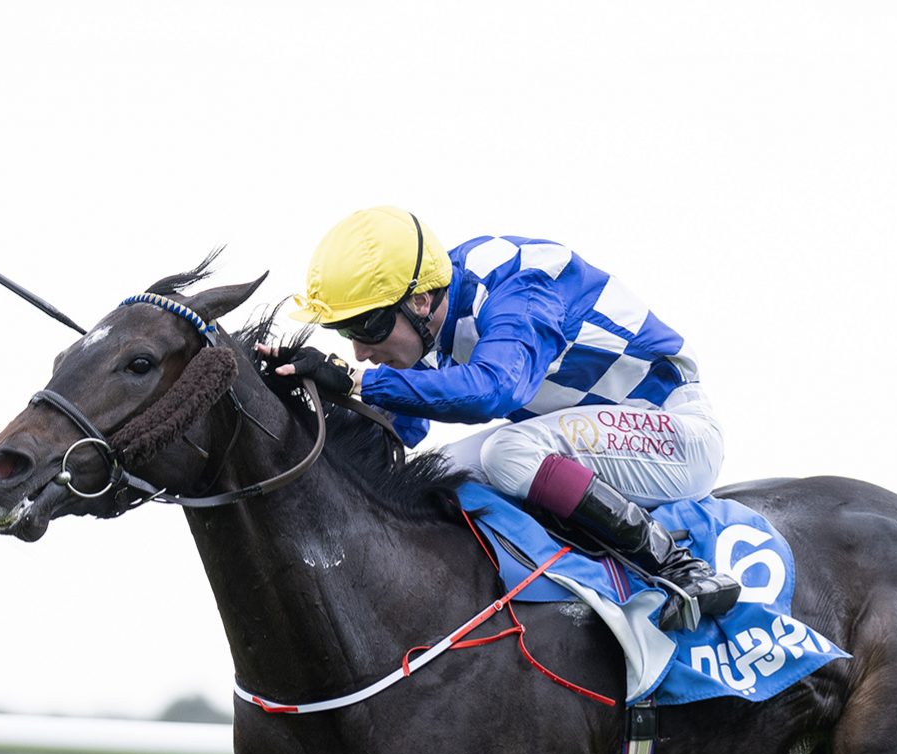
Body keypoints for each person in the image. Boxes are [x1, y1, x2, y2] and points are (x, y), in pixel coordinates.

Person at [265, 206, 740, 628]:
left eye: (368, 327)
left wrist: (352, 381)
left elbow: (494, 390)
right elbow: (395, 430)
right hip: (598, 441)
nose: (360, 351)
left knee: (507, 450)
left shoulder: (520, 288)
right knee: (439, 475)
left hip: (676, 434)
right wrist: (293, 403)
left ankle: (678, 567)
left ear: (421, 301)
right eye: (344, 331)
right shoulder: (431, 313)